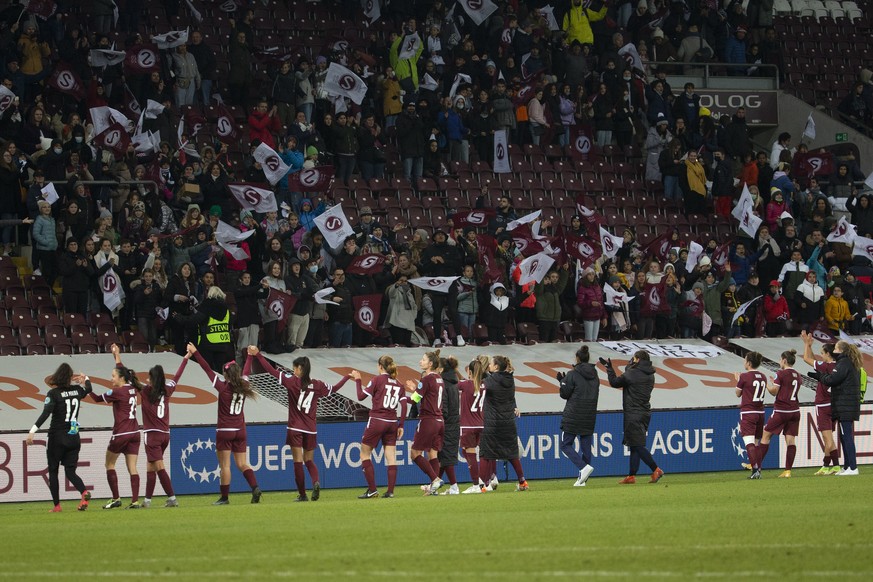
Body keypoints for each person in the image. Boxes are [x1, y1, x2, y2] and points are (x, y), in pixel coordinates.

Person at [245, 346, 350, 501]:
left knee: (297, 462)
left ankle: (302, 494)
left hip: (295, 427)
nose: (293, 370)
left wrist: (258, 355)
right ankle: (316, 482)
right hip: (311, 429)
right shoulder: (317, 385)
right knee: (309, 460)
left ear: (300, 369)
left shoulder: (292, 382)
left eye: (295, 368)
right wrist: (347, 377)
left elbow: (271, 372)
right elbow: (334, 389)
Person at [112, 345, 190, 508]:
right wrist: (186, 357)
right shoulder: (168, 389)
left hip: (152, 435)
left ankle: (172, 498)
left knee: (158, 466)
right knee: (151, 466)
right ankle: (147, 501)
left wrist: (117, 356)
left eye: (149, 376)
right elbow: (178, 375)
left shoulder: (146, 391)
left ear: (152, 379)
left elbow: (126, 376)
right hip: (165, 434)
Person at [187, 342, 262, 504]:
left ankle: (224, 497)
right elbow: (247, 370)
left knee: (225, 466)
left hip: (225, 430)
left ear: (227, 375)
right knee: (242, 463)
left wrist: (196, 353)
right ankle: (255, 487)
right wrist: (249, 356)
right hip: (240, 430)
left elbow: (207, 368)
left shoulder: (222, 387)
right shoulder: (244, 385)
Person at [26, 363, 93, 512]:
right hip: (74, 437)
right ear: (70, 377)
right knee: (70, 471)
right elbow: (89, 389)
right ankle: (84, 492)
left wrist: (32, 431)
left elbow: (46, 414)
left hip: (57, 437)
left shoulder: (53, 394)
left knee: (53, 471)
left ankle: (57, 506)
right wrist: (85, 379)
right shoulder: (77, 390)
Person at [86, 349, 144, 509]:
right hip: (135, 432)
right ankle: (135, 501)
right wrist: (116, 355)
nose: (111, 378)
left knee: (109, 464)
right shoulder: (132, 387)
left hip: (121, 433)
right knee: (132, 467)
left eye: (113, 376)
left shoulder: (117, 392)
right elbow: (122, 368)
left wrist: (87, 384)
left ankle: (116, 498)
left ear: (121, 378)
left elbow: (97, 399)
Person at [350, 356, 408, 498]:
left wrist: (358, 380)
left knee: (364, 454)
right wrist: (401, 424)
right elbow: (404, 405)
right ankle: (390, 492)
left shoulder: (376, 380)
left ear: (380, 367)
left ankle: (372, 490)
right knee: (391, 458)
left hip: (377, 420)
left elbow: (360, 396)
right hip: (392, 422)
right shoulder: (399, 384)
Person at [603, 350, 665, 484]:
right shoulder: (650, 374)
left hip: (633, 413)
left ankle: (656, 469)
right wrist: (630, 367)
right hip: (644, 412)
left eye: (633, 359)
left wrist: (609, 368)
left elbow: (615, 382)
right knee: (634, 443)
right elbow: (632, 377)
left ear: (637, 359)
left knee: (637, 445)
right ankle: (631, 475)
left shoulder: (632, 373)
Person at [810, 340, 863, 475]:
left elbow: (833, 380)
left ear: (840, 351)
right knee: (843, 437)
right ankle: (846, 466)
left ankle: (853, 467)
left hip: (845, 405)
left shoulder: (844, 363)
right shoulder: (848, 362)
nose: (834, 350)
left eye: (836, 348)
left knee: (847, 437)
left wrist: (820, 376)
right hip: (844, 404)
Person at [480, 355, 529, 492]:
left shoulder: (490, 381)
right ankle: (522, 482)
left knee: (486, 453)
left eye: (490, 364)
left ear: (496, 367)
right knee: (512, 453)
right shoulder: (510, 380)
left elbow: (477, 387)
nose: (489, 366)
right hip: (508, 422)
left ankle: (482, 486)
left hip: (493, 422)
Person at [405, 349, 446, 495]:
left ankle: (435, 480)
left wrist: (400, 397)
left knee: (415, 453)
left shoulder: (427, 378)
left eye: (423, 359)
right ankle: (433, 487)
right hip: (440, 420)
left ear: (430, 363)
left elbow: (415, 399)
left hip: (428, 420)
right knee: (432, 454)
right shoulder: (439, 379)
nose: (420, 362)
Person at [557, 345, 600, 487]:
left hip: (574, 415)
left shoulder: (572, 374)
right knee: (586, 447)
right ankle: (583, 480)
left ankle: (583, 467)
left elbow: (565, 394)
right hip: (589, 414)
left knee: (565, 444)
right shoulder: (595, 375)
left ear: (577, 359)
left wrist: (562, 383)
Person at [800, 332, 841, 475]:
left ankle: (825, 465)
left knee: (827, 438)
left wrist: (806, 344)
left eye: (822, 353)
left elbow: (806, 359)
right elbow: (813, 360)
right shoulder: (837, 366)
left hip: (823, 404)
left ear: (828, 354)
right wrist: (810, 347)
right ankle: (835, 466)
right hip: (833, 404)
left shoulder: (825, 366)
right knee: (828, 437)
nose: (821, 356)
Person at [757, 350, 802, 478]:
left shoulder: (780, 373)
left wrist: (767, 384)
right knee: (790, 440)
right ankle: (788, 471)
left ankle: (756, 466)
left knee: (765, 435)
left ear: (784, 360)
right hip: (795, 411)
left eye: (780, 359)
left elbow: (774, 392)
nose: (779, 362)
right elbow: (788, 388)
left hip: (782, 411)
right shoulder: (798, 374)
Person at [734, 351, 768, 480]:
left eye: (745, 360)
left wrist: (737, 381)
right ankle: (758, 468)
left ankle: (755, 470)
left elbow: (738, 393)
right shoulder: (763, 376)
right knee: (757, 443)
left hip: (748, 412)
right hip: (760, 412)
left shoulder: (744, 376)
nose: (744, 362)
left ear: (748, 363)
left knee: (749, 442)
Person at [459, 356, 489, 493]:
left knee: (470, 453)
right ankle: (480, 481)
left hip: (468, 426)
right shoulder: (484, 385)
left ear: (470, 372)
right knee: (465, 451)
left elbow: (452, 383)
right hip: (480, 425)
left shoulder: (465, 385)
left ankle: (476, 485)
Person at [435, 356, 461, 495]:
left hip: (447, 423)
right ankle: (435, 483)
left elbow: (443, 407)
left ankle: (454, 486)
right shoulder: (454, 382)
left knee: (446, 457)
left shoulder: (443, 384)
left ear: (441, 368)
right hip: (455, 422)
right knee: (444, 456)